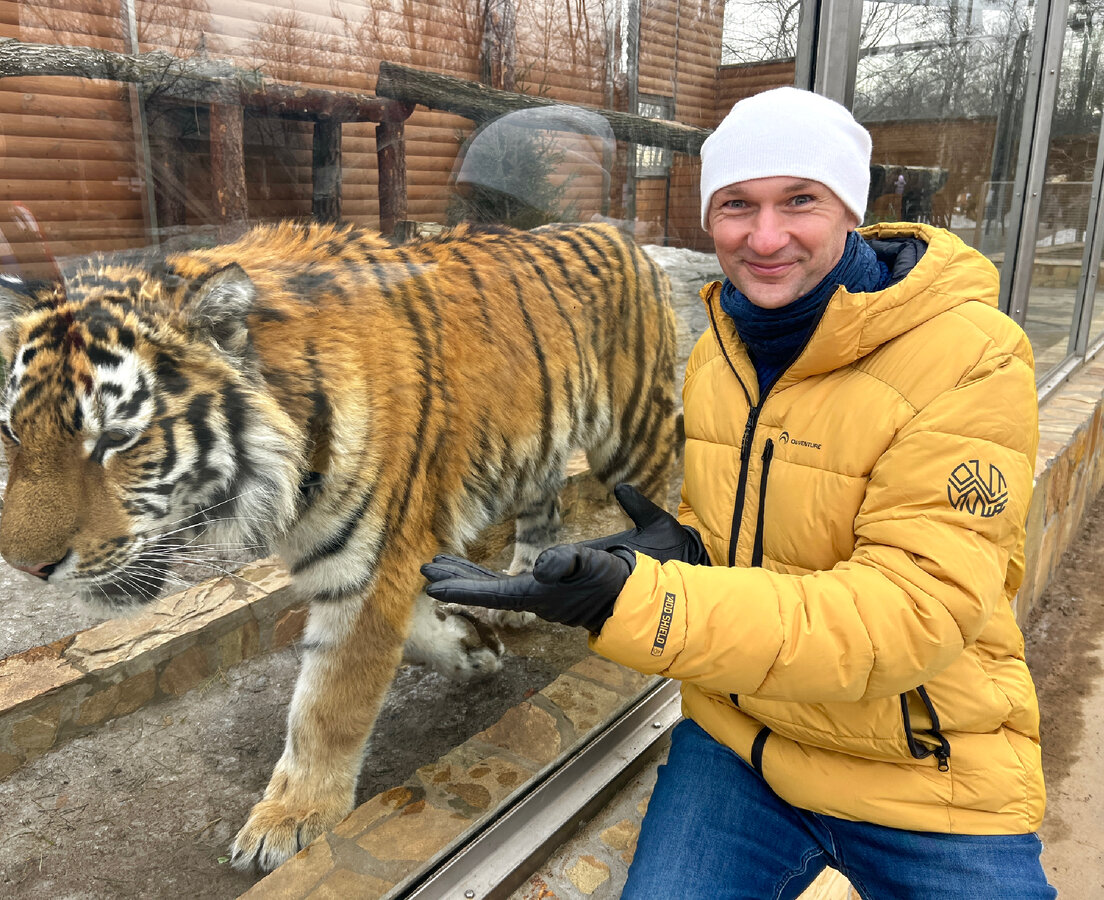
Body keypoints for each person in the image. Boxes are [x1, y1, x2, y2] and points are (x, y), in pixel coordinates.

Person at [422, 86, 1055, 898]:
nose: (764, 237)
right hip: (738, 740)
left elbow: (909, 616)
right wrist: (678, 550)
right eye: (735, 205)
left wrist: (640, 602)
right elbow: (746, 532)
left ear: (851, 210)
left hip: (924, 769)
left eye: (800, 200)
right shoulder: (720, 346)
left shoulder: (973, 359)